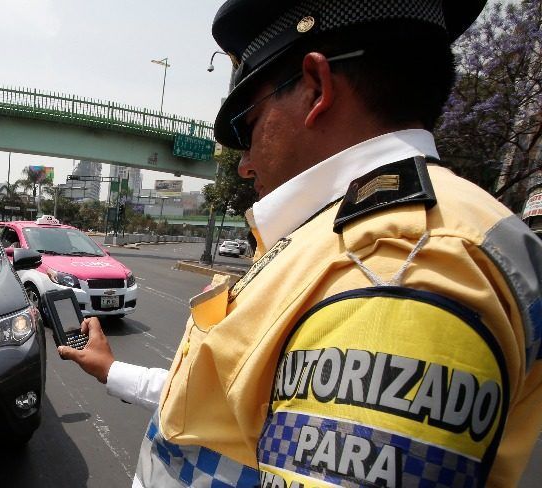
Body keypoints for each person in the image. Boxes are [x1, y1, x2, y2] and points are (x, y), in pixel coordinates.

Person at [59, 0, 542, 486]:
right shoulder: (344, 237)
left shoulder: (397, 264)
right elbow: (226, 404)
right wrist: (113, 370)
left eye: (248, 126)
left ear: (316, 87)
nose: (245, 165)